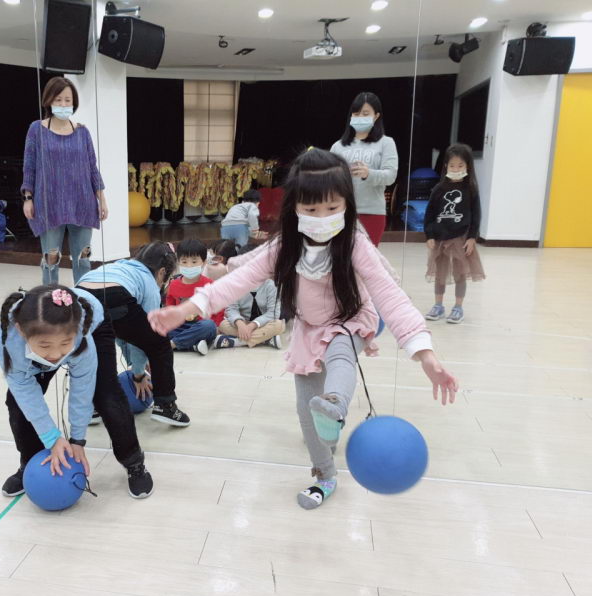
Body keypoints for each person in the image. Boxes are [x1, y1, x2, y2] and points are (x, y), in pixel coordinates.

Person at [149, 148, 457, 510]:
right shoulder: (286, 245)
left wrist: (425, 355)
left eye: (332, 207)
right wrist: (187, 308)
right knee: (306, 412)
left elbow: (391, 296)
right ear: (294, 207)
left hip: (350, 320)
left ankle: (335, 404)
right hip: (309, 329)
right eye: (311, 210)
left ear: (346, 205)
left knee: (340, 353)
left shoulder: (354, 243)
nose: (322, 217)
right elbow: (239, 280)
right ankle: (325, 474)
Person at [0, 284, 153, 500]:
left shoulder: (81, 337)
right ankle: (30, 463)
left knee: (107, 396)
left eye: (64, 345)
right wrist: (52, 439)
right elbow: (24, 391)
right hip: (44, 339)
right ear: (21, 331)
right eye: (45, 346)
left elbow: (82, 389)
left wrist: (78, 439)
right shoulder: (6, 342)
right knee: (16, 404)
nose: (56, 355)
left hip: (93, 325)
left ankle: (134, 462)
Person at [77, 241, 190, 427]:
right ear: (162, 272)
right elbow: (144, 340)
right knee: (159, 344)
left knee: (97, 351)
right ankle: (166, 406)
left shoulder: (120, 266)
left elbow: (124, 333)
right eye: (166, 279)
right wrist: (138, 374)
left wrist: (135, 364)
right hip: (114, 294)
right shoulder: (149, 282)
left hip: (79, 295)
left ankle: (93, 407)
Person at [21, 76, 109, 285]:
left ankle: (84, 297)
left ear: (73, 102)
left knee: (83, 258)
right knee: (51, 258)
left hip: (82, 203)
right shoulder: (36, 129)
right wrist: (28, 198)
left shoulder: (82, 132)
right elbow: (29, 166)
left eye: (67, 100)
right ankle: (50, 298)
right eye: (58, 99)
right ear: (49, 100)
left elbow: (92, 168)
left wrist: (102, 200)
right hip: (49, 203)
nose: (63, 104)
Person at [423, 143, 485, 324]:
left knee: (460, 273)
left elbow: (476, 215)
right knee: (440, 273)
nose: (456, 169)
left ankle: (458, 307)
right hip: (440, 237)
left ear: (468, 167)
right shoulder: (439, 189)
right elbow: (429, 214)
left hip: (461, 237)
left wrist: (472, 237)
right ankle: (438, 305)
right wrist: (429, 235)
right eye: (452, 165)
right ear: (446, 166)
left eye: (460, 165)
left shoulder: (471, 189)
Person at [330, 92, 398, 247]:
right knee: (341, 256)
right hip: (341, 211)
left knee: (367, 258)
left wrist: (369, 174)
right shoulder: (337, 146)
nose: (360, 117)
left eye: (365, 114)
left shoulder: (386, 143)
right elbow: (329, 179)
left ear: (376, 116)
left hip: (372, 212)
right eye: (356, 113)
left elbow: (390, 176)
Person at [213, 243, 284, 349]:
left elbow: (273, 313)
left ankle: (236, 342)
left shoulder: (271, 285)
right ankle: (265, 339)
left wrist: (253, 325)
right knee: (223, 324)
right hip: (243, 323)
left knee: (278, 325)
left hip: (262, 323)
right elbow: (231, 309)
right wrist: (239, 323)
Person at [165, 239, 224, 356]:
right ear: (178, 262)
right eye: (184, 261)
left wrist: (217, 325)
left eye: (194, 261)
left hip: (201, 325)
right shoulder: (174, 284)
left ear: (204, 262)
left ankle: (172, 344)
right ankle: (194, 345)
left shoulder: (209, 285)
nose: (189, 266)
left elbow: (219, 309)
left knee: (209, 326)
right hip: (180, 326)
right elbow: (170, 305)